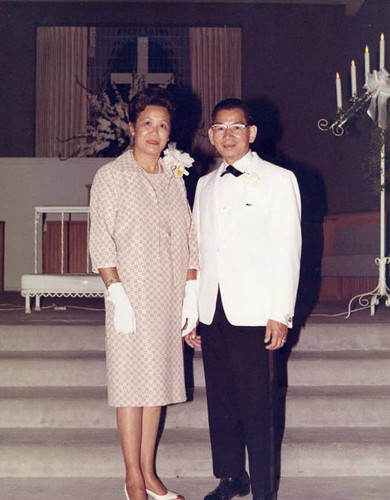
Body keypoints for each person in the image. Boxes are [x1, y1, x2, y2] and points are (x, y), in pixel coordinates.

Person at [185, 98, 301, 500]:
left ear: (251, 133)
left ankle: (264, 488)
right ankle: (231, 476)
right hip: (212, 309)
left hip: (255, 311)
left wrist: (280, 313)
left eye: (236, 127)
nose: (227, 134)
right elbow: (196, 253)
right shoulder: (203, 184)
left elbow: (287, 250)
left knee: (258, 404)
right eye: (219, 127)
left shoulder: (278, 179)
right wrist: (192, 314)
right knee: (220, 399)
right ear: (212, 135)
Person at [89, 87, 199, 500]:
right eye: (147, 124)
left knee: (157, 386)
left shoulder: (174, 176)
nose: (155, 132)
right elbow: (100, 237)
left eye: (163, 125)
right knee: (131, 387)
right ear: (132, 128)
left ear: (170, 132)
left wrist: (191, 293)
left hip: (168, 297)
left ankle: (150, 475)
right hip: (130, 298)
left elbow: (189, 236)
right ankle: (132, 477)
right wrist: (115, 293)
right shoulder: (112, 177)